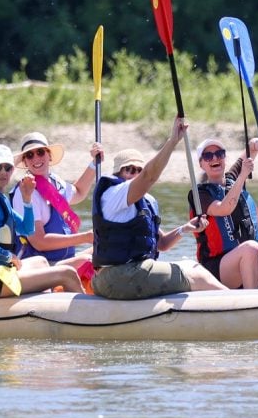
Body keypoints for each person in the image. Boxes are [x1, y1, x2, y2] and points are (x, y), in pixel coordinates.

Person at [90, 118, 230, 300]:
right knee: (198, 276)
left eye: (138, 170)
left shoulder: (148, 201)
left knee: (191, 266)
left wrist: (185, 228)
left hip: (131, 275)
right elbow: (150, 175)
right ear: (118, 173)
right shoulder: (114, 194)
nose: (134, 175)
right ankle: (241, 307)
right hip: (117, 276)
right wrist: (173, 141)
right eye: (129, 170)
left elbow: (161, 244)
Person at [0, 144, 83, 298]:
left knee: (40, 261)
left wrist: (27, 200)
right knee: (67, 274)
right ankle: (91, 317)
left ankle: (44, 311)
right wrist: (10, 257)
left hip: (1, 271)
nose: (3, 173)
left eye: (8, 168)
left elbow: (27, 229)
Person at [188, 137, 258, 289]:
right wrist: (243, 175)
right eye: (208, 156)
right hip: (218, 269)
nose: (215, 158)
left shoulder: (233, 177)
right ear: (201, 164)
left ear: (224, 157)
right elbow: (224, 209)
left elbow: (252, 145)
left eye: (219, 153)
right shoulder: (199, 194)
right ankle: (251, 301)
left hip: (249, 260)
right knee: (251, 247)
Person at [11, 131, 101, 263]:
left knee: (105, 248)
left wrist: (94, 162)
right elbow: (39, 242)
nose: (36, 158)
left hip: (62, 260)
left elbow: (79, 192)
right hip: (40, 265)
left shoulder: (55, 182)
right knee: (88, 260)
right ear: (25, 162)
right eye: (30, 155)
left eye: (40, 152)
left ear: (49, 155)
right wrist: (85, 237)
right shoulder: (24, 191)